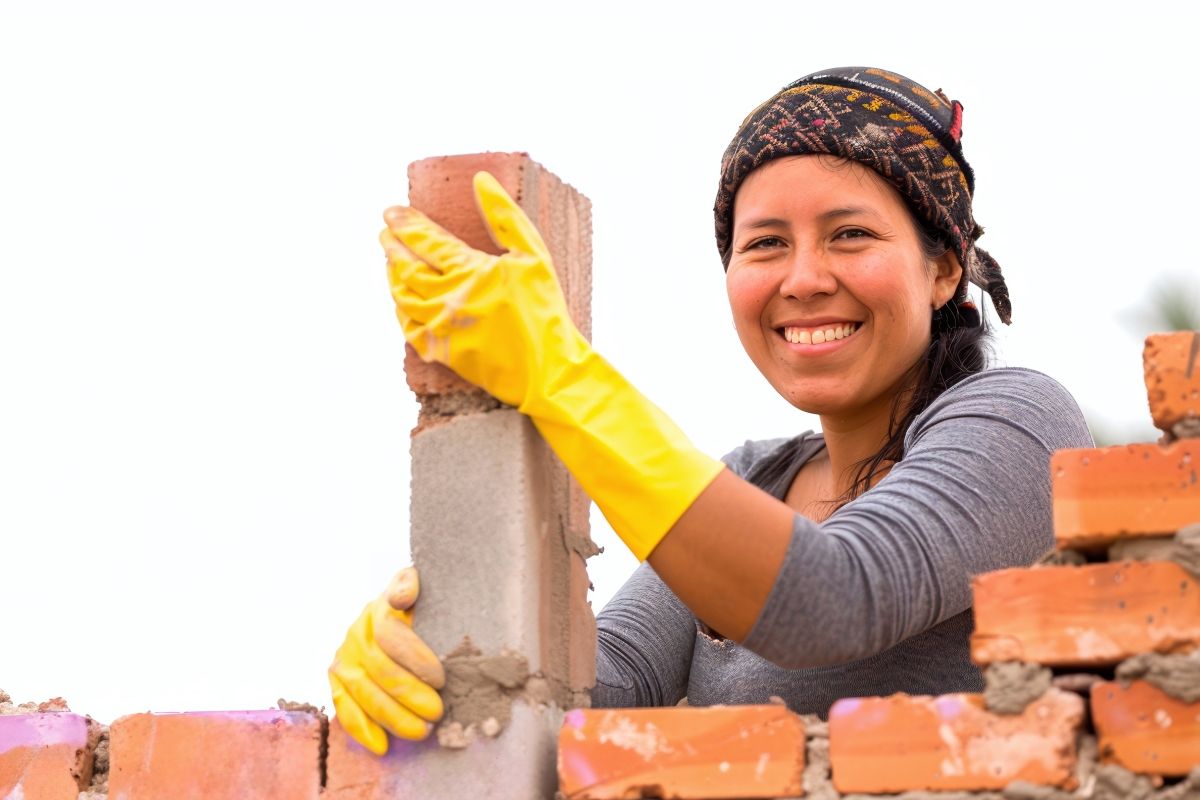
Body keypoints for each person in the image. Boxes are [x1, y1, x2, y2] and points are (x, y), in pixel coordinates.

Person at [329, 66, 1093, 755]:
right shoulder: (753, 480)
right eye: (763, 243)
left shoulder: (1021, 422)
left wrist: (559, 373)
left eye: (850, 234)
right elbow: (593, 689)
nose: (803, 278)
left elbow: (832, 597)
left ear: (943, 271)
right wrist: (435, 652)